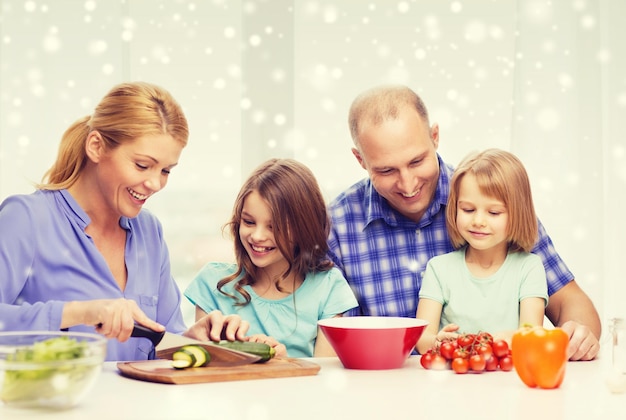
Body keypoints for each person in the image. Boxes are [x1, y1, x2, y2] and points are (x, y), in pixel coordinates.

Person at [327, 84, 601, 361]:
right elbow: (328, 339)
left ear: (435, 137)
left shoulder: (491, 199)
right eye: (386, 170)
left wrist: (578, 333)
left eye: (417, 161)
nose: (408, 184)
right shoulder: (336, 225)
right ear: (360, 159)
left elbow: (570, 301)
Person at [0, 81, 249, 361]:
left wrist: (194, 341)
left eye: (166, 170)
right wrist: (80, 312)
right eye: (142, 165)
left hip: (139, 405)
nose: (155, 183)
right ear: (96, 146)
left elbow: (160, 339)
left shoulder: (149, 232)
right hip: (51, 403)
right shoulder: (27, 219)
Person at [185, 158, 358, 358]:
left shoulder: (328, 288)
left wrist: (285, 363)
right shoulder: (213, 283)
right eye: (249, 222)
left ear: (304, 227)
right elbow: (200, 367)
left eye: (274, 226)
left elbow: (324, 376)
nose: (257, 236)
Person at [415, 149, 548, 354]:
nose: (478, 221)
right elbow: (422, 339)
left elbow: (532, 336)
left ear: (518, 213)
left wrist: (509, 339)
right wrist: (436, 342)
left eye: (493, 212)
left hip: (506, 381)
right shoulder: (439, 269)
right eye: (468, 210)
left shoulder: (528, 268)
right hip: (452, 379)